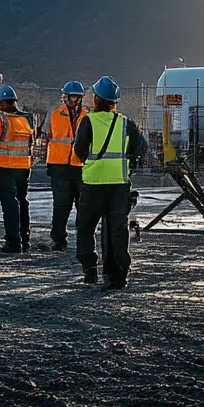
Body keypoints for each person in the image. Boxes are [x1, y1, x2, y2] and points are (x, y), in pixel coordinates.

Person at [73, 76, 147, 289]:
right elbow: (141, 148)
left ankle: (89, 272)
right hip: (119, 185)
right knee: (117, 231)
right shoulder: (126, 123)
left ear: (96, 98)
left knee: (86, 228)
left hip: (93, 184)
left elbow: (79, 153)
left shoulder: (89, 121)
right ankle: (118, 276)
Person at [0, 84, 35, 252]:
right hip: (24, 166)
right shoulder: (27, 118)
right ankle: (25, 239)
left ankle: (13, 242)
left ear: (0, 102)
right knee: (22, 201)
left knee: (10, 204)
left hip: (4, 166)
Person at [44, 81, 88, 251]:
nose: (75, 100)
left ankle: (83, 239)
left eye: (78, 97)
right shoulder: (54, 114)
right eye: (72, 96)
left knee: (82, 205)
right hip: (59, 166)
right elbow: (47, 135)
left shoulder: (87, 115)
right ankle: (58, 239)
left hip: (79, 165)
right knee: (61, 205)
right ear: (65, 97)